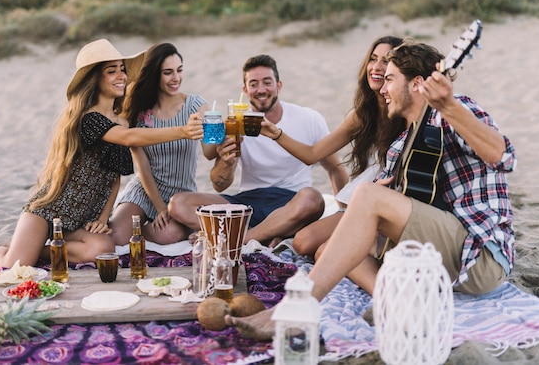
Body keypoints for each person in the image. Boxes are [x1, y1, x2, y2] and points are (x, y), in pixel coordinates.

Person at [226, 39, 516, 340]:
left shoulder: (455, 111)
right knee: (331, 251)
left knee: (366, 196)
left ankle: (299, 306)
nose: (383, 88)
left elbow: (504, 157)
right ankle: (397, 304)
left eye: (389, 79)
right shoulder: (404, 139)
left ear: (417, 84)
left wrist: (449, 105)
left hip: (478, 253)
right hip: (437, 257)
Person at [0, 39, 204, 268]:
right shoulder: (88, 118)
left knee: (103, 249)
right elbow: (128, 138)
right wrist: (183, 130)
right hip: (50, 210)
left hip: (82, 220)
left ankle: (32, 248)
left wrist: (103, 218)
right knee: (13, 265)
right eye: (111, 71)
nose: (121, 76)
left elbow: (115, 177)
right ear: (96, 78)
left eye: (122, 70)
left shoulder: (122, 121)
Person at [168, 54, 348, 247]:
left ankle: (240, 238)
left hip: (292, 202)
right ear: (245, 90)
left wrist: (344, 212)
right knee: (179, 204)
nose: (261, 90)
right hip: (248, 202)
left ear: (279, 85)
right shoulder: (235, 123)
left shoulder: (309, 119)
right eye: (253, 84)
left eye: (267, 82)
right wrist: (227, 163)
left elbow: (335, 168)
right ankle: (270, 233)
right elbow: (219, 185)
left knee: (313, 199)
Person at [258, 36, 406, 258]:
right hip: (365, 198)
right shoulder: (362, 114)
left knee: (306, 244)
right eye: (373, 59)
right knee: (304, 243)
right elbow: (313, 154)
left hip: (392, 203)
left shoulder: (406, 109)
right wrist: (276, 134)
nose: (375, 67)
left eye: (385, 61)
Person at [109, 43, 216, 246]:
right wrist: (159, 208)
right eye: (168, 72)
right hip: (145, 189)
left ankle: (141, 235)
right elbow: (143, 167)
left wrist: (224, 143)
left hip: (182, 194)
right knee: (116, 238)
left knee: (168, 235)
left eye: (179, 70)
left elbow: (210, 153)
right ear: (154, 75)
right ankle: (126, 227)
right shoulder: (138, 112)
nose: (176, 78)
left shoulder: (196, 106)